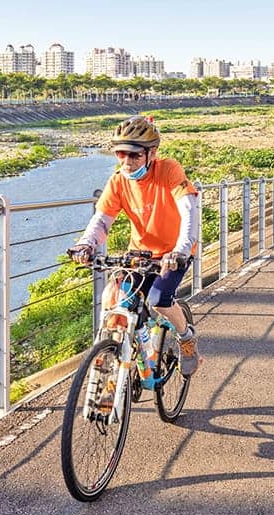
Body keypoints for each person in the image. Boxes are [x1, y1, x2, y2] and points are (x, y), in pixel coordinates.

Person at [68, 115, 201, 375]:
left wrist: (182, 249)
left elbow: (188, 211)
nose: (126, 163)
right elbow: (102, 221)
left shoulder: (169, 170)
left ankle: (186, 338)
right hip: (139, 254)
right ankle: (116, 363)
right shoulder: (118, 182)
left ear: (152, 153)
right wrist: (86, 244)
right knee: (114, 300)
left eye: (134, 156)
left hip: (173, 253)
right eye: (120, 154)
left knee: (159, 301)